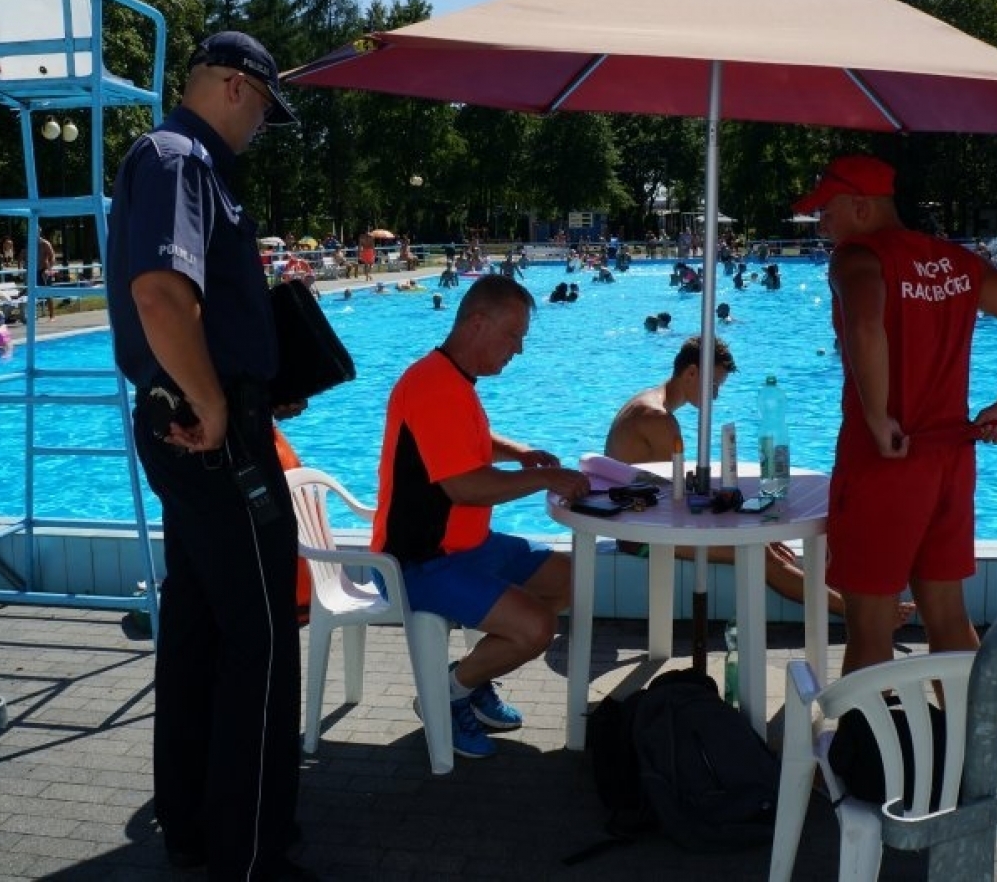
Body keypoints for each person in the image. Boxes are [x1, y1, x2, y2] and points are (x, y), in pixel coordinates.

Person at [105, 29, 308, 877]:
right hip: (205, 430)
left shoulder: (177, 163)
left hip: (195, 422)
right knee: (260, 635)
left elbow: (196, 306)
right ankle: (253, 851)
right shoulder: (180, 158)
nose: (262, 124)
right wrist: (221, 402)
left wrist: (255, 380)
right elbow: (159, 294)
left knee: (198, 624)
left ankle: (193, 822)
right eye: (262, 106)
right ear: (233, 85)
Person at [796, 155, 997, 675]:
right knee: (948, 616)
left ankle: (866, 751)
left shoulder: (857, 257)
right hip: (950, 463)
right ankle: (970, 748)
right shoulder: (954, 262)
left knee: (870, 626)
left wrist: (876, 417)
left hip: (885, 461)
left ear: (860, 207)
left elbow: (866, 328)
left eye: (825, 210)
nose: (820, 222)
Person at [372, 274, 588, 759]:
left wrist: (520, 453)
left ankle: (476, 676)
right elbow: (466, 488)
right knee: (535, 629)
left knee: (571, 578)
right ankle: (446, 693)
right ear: (477, 323)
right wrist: (546, 479)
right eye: (514, 336)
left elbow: (463, 442)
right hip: (418, 563)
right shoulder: (432, 385)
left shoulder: (452, 379)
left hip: (469, 547)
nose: (518, 350)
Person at [603, 337, 876, 620]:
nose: (715, 396)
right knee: (761, 556)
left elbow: (670, 493)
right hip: (640, 536)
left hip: (641, 521)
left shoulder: (645, 402)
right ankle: (859, 616)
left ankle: (853, 607)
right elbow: (680, 501)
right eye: (713, 386)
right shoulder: (659, 420)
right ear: (691, 373)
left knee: (764, 543)